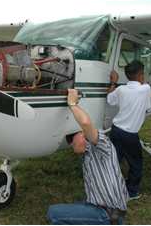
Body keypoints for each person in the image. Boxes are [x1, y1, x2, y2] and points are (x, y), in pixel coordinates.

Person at [47, 89, 129, 225]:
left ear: (82, 134)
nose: (71, 144)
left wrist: (72, 104)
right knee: (77, 205)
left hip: (109, 214)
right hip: (104, 209)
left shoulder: (104, 146)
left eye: (71, 139)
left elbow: (85, 123)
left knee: (53, 213)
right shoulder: (87, 154)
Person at [107, 60, 151, 200]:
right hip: (130, 134)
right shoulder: (146, 89)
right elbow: (150, 108)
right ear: (140, 75)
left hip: (115, 130)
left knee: (114, 160)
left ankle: (109, 185)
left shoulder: (120, 89)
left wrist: (113, 82)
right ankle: (131, 192)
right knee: (136, 163)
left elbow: (110, 100)